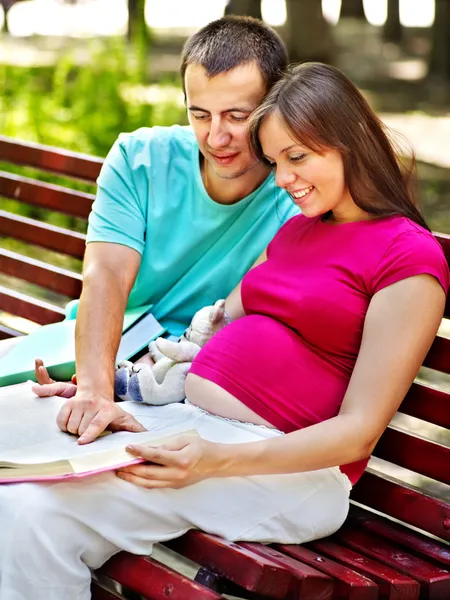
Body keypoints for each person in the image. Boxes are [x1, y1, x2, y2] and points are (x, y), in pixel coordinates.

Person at [1, 63, 448, 600]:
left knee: (34, 513)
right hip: (194, 427)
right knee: (14, 478)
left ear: (350, 143)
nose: (284, 179)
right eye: (277, 161)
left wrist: (216, 458)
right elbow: (214, 329)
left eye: (297, 157)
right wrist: (108, 389)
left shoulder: (408, 257)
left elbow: (358, 432)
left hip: (290, 472)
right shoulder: (300, 229)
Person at [21, 16, 298, 441]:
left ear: (276, 105)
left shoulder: (298, 193)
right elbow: (106, 275)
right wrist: (96, 389)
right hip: (97, 359)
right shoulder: (139, 158)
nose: (215, 136)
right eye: (199, 114)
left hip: (193, 385)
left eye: (236, 116)